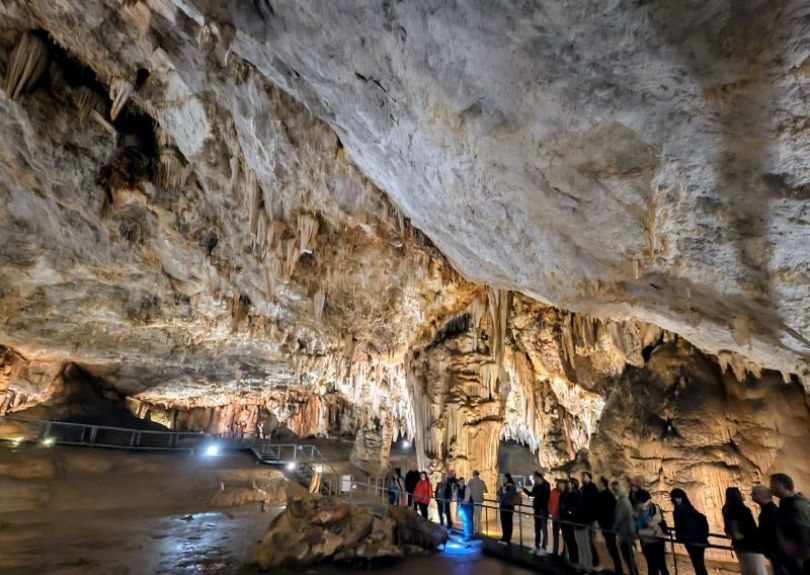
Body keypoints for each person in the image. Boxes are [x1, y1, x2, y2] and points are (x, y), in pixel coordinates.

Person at [770, 473, 810, 575]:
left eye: (773, 483)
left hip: (800, 555)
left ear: (783, 485)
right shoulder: (787, 504)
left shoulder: (796, 504)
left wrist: (799, 549)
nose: (770, 487)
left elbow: (804, 528)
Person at [723, 487, 766, 575]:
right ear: (737, 495)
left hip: (738, 544)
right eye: (740, 493)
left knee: (746, 570)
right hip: (750, 545)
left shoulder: (727, 509)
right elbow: (751, 528)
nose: (743, 494)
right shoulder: (743, 510)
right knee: (757, 570)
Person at [670, 488, 710, 575]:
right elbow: (702, 519)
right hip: (699, 538)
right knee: (700, 564)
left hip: (690, 540)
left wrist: (680, 536)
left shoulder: (679, 510)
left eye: (677, 497)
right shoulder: (689, 507)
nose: (677, 500)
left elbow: (679, 526)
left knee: (698, 564)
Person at [752, 485, 783, 575]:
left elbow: (770, 533)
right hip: (775, 551)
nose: (752, 496)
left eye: (754, 494)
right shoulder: (769, 510)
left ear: (761, 495)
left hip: (777, 551)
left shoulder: (769, 512)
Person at [636, 490, 669, 575]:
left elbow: (651, 523)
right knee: (655, 566)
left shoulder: (651, 507)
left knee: (658, 565)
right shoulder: (646, 508)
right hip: (652, 542)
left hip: (653, 542)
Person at [611, 480, 639, 575]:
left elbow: (620, 517)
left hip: (624, 533)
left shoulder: (621, 501)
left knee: (628, 557)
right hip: (629, 531)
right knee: (630, 558)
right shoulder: (626, 500)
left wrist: (613, 529)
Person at [598, 476, 623, 574]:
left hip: (608, 526)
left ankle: (619, 570)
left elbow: (610, 511)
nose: (598, 485)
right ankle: (618, 568)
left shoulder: (607, 496)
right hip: (607, 525)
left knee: (613, 549)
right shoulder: (607, 495)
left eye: (599, 483)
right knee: (612, 548)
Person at [524, 470, 551, 555]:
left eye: (534, 477)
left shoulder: (546, 485)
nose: (533, 479)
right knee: (537, 529)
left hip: (543, 510)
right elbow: (532, 494)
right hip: (536, 510)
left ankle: (543, 548)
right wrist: (524, 490)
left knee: (543, 529)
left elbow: (539, 495)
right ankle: (536, 546)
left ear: (538, 477)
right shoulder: (536, 485)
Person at [581, 472, 602, 570]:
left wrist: (594, 519)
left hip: (590, 519)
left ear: (589, 477)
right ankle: (589, 561)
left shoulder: (592, 488)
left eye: (584, 476)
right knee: (586, 541)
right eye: (582, 477)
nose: (582, 478)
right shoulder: (584, 488)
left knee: (590, 541)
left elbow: (595, 504)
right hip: (585, 518)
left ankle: (595, 563)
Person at [560, 477, 580, 564]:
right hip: (564, 519)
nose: (568, 484)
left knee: (571, 541)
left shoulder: (575, 494)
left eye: (570, 483)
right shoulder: (566, 493)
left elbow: (574, 506)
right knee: (568, 540)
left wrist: (569, 512)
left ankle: (575, 560)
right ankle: (570, 559)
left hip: (569, 520)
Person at [465, 470, 488, 535]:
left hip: (473, 501)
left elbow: (467, 491)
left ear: (473, 475)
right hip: (480, 501)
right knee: (479, 516)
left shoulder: (470, 482)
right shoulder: (482, 482)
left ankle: (475, 530)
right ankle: (480, 530)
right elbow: (486, 491)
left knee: (474, 516)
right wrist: (481, 493)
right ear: (478, 475)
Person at [497, 473, 518, 545]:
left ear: (508, 479)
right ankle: (504, 537)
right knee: (503, 522)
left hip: (509, 506)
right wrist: (502, 491)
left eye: (505, 479)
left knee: (508, 522)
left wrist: (503, 493)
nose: (504, 480)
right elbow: (498, 492)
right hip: (502, 506)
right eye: (503, 479)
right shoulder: (503, 486)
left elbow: (510, 495)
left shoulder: (512, 486)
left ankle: (508, 539)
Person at [549, 478, 565, 556]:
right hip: (555, 517)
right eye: (559, 484)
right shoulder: (554, 491)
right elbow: (550, 502)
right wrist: (551, 511)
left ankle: (564, 553)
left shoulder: (565, 493)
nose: (560, 485)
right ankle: (555, 552)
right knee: (555, 535)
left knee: (565, 537)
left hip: (562, 518)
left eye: (562, 484)